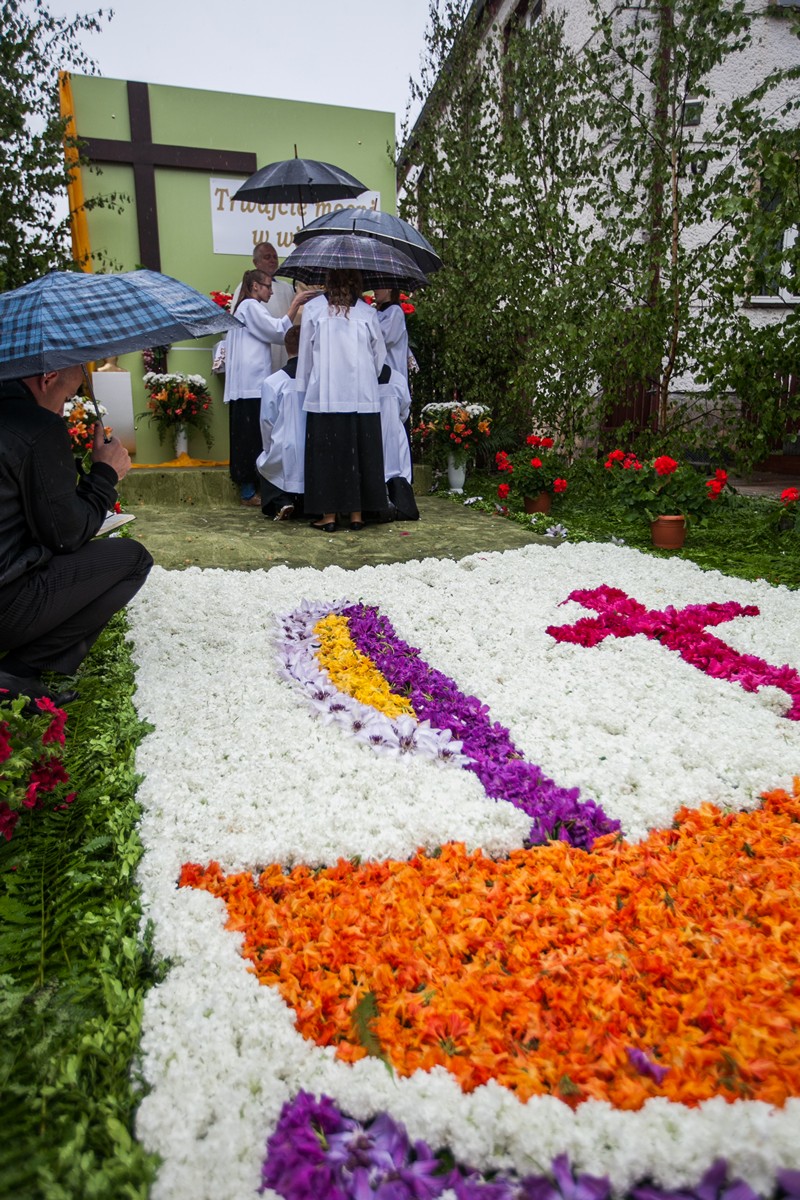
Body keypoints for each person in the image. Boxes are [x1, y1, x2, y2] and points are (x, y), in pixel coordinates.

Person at [0, 365, 153, 706]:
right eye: (67, 398)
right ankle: (17, 672)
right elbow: (66, 535)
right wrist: (105, 474)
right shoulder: (35, 425)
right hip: (6, 606)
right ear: (48, 377)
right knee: (133, 559)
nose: (61, 411)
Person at [298, 270, 388, 532]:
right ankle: (357, 514)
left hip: (325, 396)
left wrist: (306, 387)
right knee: (358, 453)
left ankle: (329, 516)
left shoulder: (314, 309)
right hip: (361, 397)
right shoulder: (367, 313)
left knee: (326, 455)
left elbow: (305, 356)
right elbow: (379, 356)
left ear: (328, 280)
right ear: (357, 283)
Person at [224, 269, 311, 506]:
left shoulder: (245, 307)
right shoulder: (250, 306)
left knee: (247, 436)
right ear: (254, 286)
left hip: (247, 385)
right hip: (250, 385)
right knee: (250, 438)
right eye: (267, 286)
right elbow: (277, 331)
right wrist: (295, 304)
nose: (271, 292)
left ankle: (252, 488)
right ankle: (248, 491)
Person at [256, 326, 305, 520]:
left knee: (265, 463)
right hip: (313, 443)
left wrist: (268, 447)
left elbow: (267, 420)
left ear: (286, 347)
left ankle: (281, 501)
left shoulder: (273, 381)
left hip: (285, 443)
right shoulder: (317, 379)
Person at [231, 242, 296, 372]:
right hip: (257, 352)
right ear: (256, 262)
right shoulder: (246, 295)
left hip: (283, 347)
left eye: (275, 257)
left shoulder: (287, 288)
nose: (272, 260)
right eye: (267, 257)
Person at [373, 288, 410, 381]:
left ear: (389, 289)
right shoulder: (379, 311)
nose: (375, 290)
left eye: (379, 287)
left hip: (391, 371)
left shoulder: (395, 312)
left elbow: (383, 339)